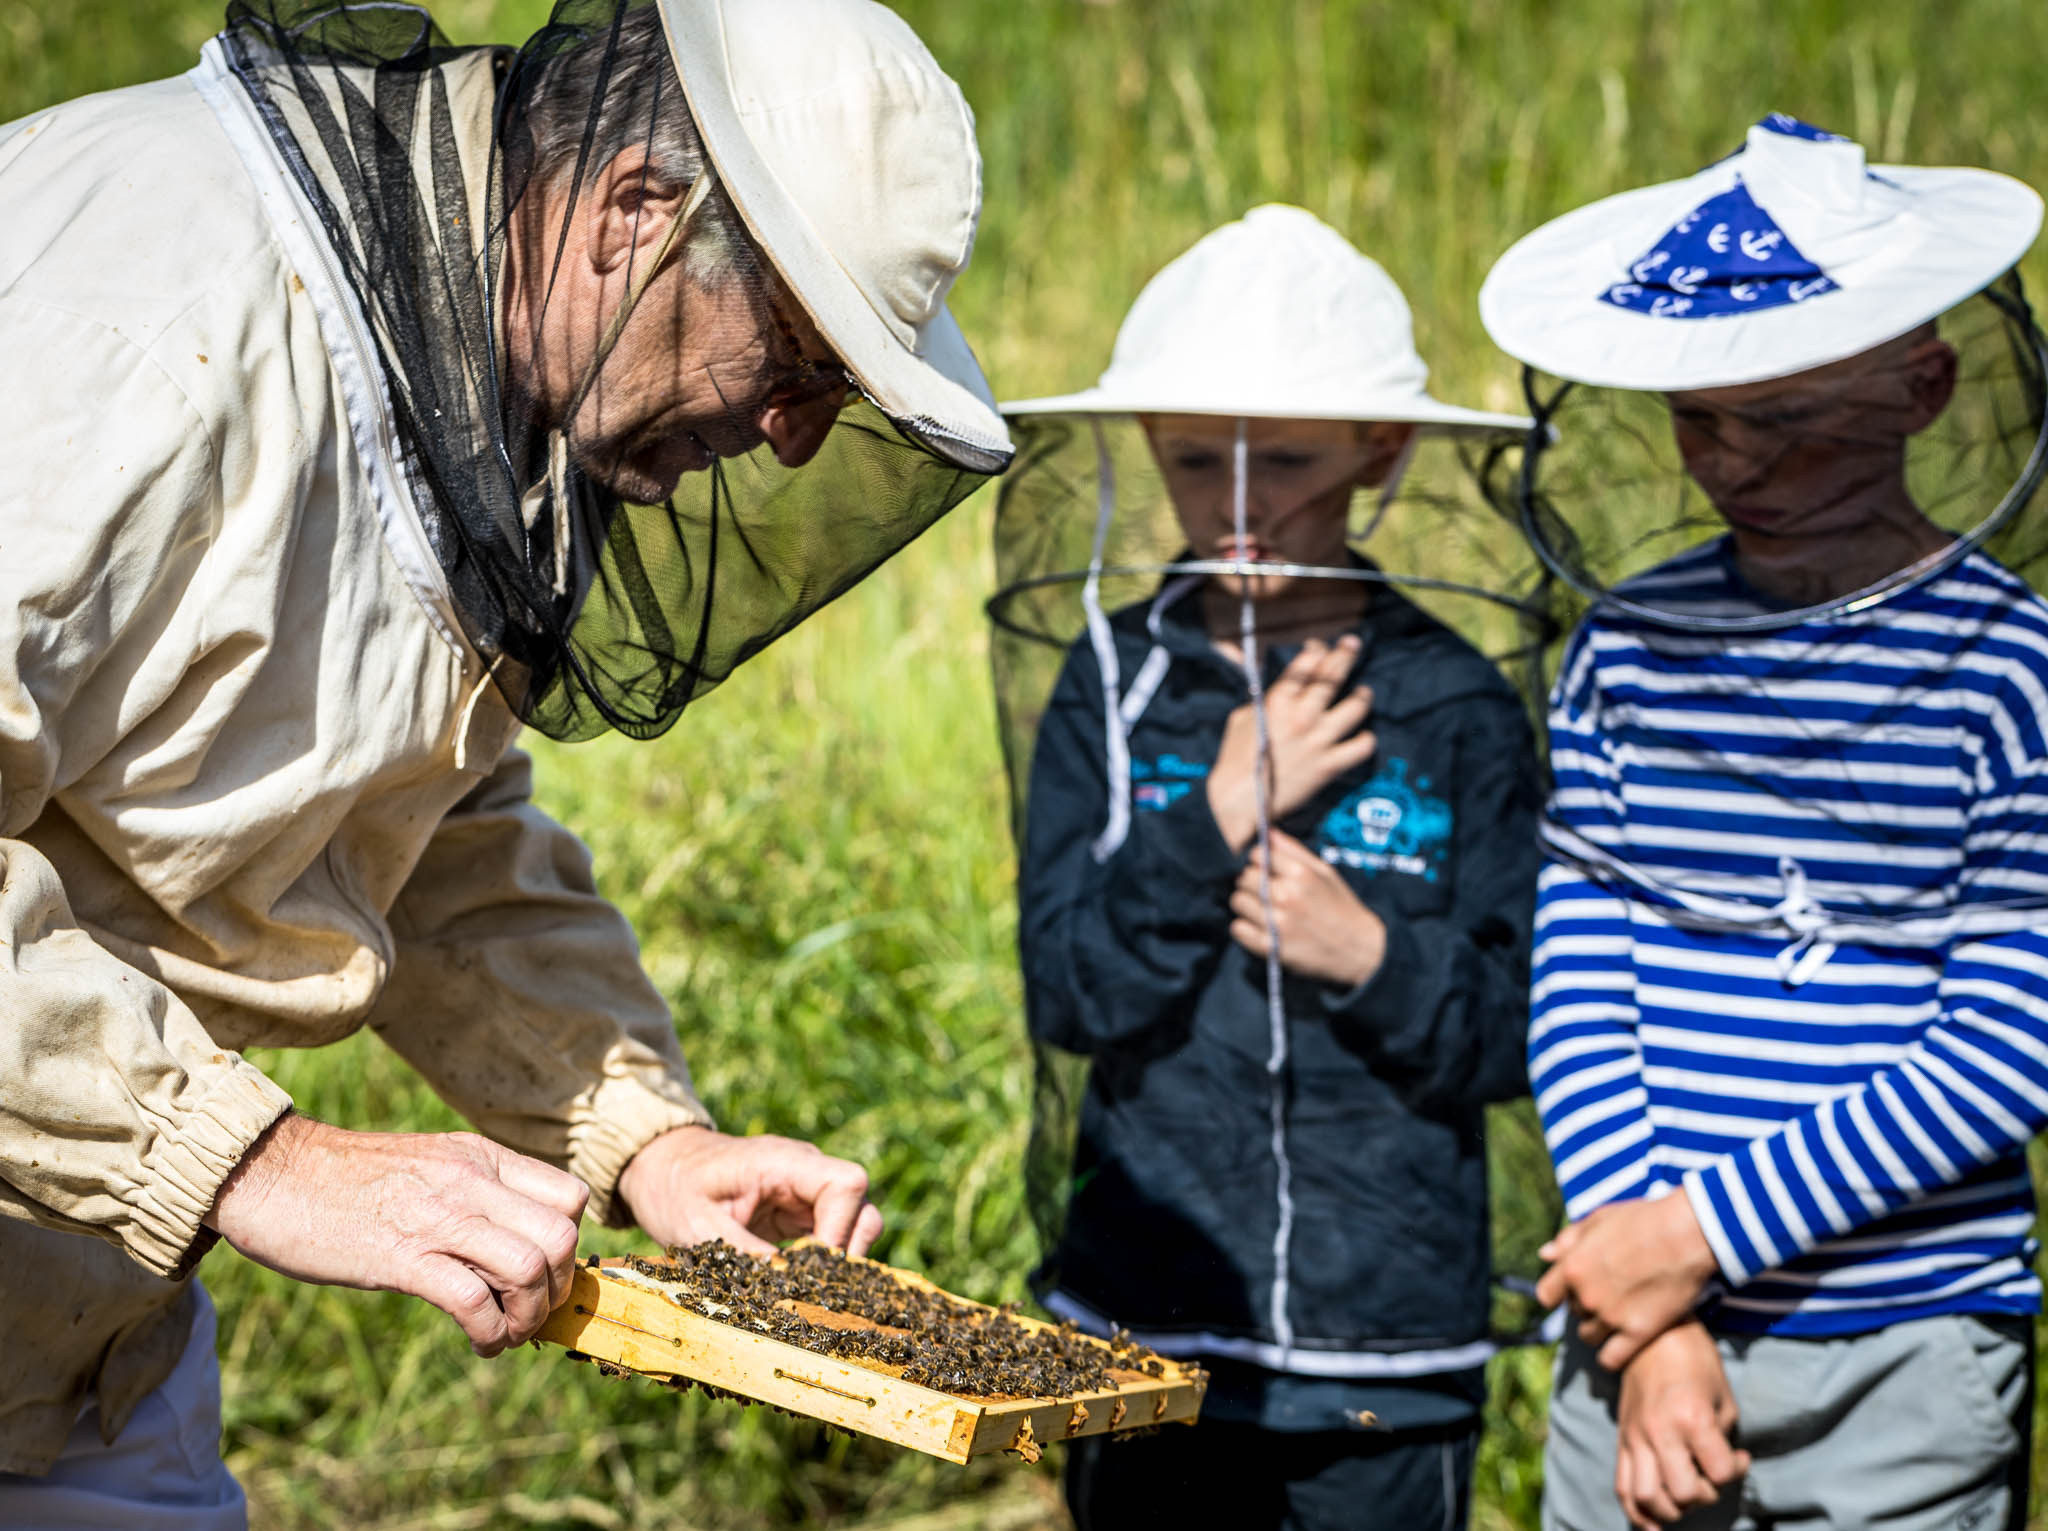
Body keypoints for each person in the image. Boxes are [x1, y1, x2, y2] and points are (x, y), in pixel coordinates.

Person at [0, 0, 1011, 1521]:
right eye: (796, 357)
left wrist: (644, 1139)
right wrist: (262, 1163)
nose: (795, 439)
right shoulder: (137, 329)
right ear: (634, 216)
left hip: (77, 1339)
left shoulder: (464, 369)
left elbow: (411, 831)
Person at [1478, 114, 2048, 1530]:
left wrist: (1700, 1238)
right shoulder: (1628, 648)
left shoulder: (2013, 672)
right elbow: (1582, 979)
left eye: (1786, 420)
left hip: (1903, 1351)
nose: (1734, 464)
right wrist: (1652, 1309)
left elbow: (2011, 1039)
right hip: (1634, 1338)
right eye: (1698, 418)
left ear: (1924, 384)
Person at [1001, 205, 1542, 1531]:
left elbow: (1526, 1034)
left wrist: (1373, 956)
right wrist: (1216, 814)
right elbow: (1068, 996)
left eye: (1288, 460)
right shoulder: (1113, 684)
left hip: (1389, 1355)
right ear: (1143, 448)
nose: (1239, 509)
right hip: (1142, 1326)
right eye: (1194, 462)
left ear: (1384, 449)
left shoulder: (1457, 701)